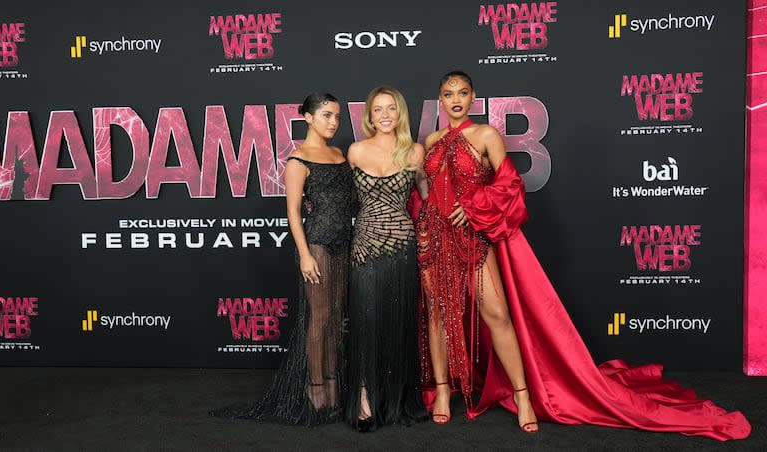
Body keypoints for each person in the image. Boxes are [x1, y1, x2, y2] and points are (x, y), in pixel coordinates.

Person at [411, 70, 751, 440]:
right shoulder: (431, 139)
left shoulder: (486, 135)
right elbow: (427, 185)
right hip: (435, 236)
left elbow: (510, 185)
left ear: (473, 96)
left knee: (497, 314)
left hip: (473, 236)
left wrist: (473, 207)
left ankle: (524, 397)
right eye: (448, 93)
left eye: (462, 92)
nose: (456, 98)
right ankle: (443, 392)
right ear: (440, 99)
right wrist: (429, 211)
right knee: (438, 316)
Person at [210, 93, 352, 426]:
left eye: (337, 117)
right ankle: (316, 389)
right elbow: (292, 211)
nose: (333, 122)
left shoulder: (338, 154)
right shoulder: (298, 160)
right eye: (327, 115)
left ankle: (333, 386)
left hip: (343, 244)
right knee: (319, 318)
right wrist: (304, 255)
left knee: (335, 317)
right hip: (316, 244)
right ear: (308, 118)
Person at [345, 85, 429, 432]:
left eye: (390, 109)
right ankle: (364, 398)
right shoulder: (354, 151)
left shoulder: (415, 152)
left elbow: (428, 198)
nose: (384, 115)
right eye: (377, 109)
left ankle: (396, 397)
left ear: (400, 114)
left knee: (397, 321)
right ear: (369, 114)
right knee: (365, 322)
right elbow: (345, 198)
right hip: (364, 244)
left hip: (400, 245)